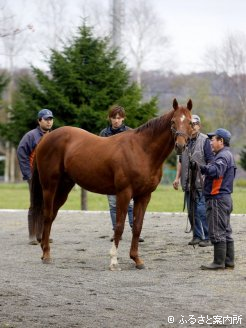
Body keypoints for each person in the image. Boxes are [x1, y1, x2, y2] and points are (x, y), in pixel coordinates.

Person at [99, 104, 144, 242]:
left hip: (127, 176)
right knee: (113, 205)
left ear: (123, 118)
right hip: (109, 175)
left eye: (119, 118)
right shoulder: (103, 134)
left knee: (129, 205)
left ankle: (134, 230)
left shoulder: (131, 133)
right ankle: (116, 231)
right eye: (114, 117)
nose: (116, 120)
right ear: (110, 118)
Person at [173, 114, 214, 247]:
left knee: (202, 211)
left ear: (199, 126)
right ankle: (197, 236)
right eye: (191, 124)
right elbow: (180, 161)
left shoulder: (205, 141)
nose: (193, 127)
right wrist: (177, 178)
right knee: (191, 212)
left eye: (195, 124)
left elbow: (210, 162)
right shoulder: (184, 140)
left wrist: (205, 177)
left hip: (201, 183)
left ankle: (208, 237)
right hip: (187, 183)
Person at [199, 128, 236, 270]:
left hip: (217, 199)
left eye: (213, 139)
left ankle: (218, 262)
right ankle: (229, 261)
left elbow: (216, 171)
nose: (210, 142)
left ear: (221, 141)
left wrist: (202, 168)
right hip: (225, 198)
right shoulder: (227, 155)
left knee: (217, 231)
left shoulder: (222, 156)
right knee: (226, 230)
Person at [17, 108, 54, 245]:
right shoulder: (31, 136)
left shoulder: (53, 136)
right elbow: (21, 153)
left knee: (47, 204)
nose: (49, 122)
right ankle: (33, 235)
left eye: (51, 119)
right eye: (46, 119)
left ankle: (42, 235)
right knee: (35, 204)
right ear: (39, 121)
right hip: (33, 175)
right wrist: (28, 174)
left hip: (48, 177)